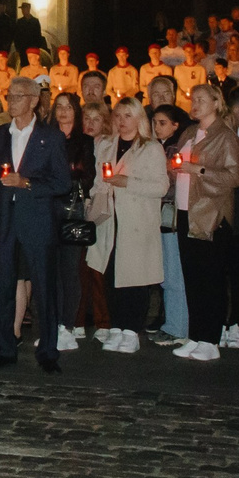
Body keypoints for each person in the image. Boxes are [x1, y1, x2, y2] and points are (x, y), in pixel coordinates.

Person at [0, 74, 73, 372]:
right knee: (4, 286)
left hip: (37, 221)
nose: (11, 101)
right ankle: (4, 348)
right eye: (9, 96)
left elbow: (62, 183)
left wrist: (27, 183)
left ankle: (48, 352)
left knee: (45, 288)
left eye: (17, 96)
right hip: (5, 222)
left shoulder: (52, 137)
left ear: (33, 100)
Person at [169, 82, 239, 361]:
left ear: (216, 103)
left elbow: (234, 177)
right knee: (193, 277)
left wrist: (198, 169)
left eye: (201, 99)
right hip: (186, 211)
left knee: (210, 278)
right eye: (193, 98)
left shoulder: (225, 136)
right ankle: (196, 335)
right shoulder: (189, 133)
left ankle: (211, 339)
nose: (195, 102)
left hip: (210, 214)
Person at [85, 97, 167, 352]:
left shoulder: (151, 148)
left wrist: (127, 182)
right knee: (110, 273)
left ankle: (132, 329)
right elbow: (99, 179)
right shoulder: (107, 145)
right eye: (118, 116)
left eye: (127, 116)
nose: (121, 121)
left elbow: (161, 186)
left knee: (135, 277)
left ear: (138, 118)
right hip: (110, 220)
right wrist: (92, 200)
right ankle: (117, 325)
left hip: (136, 222)